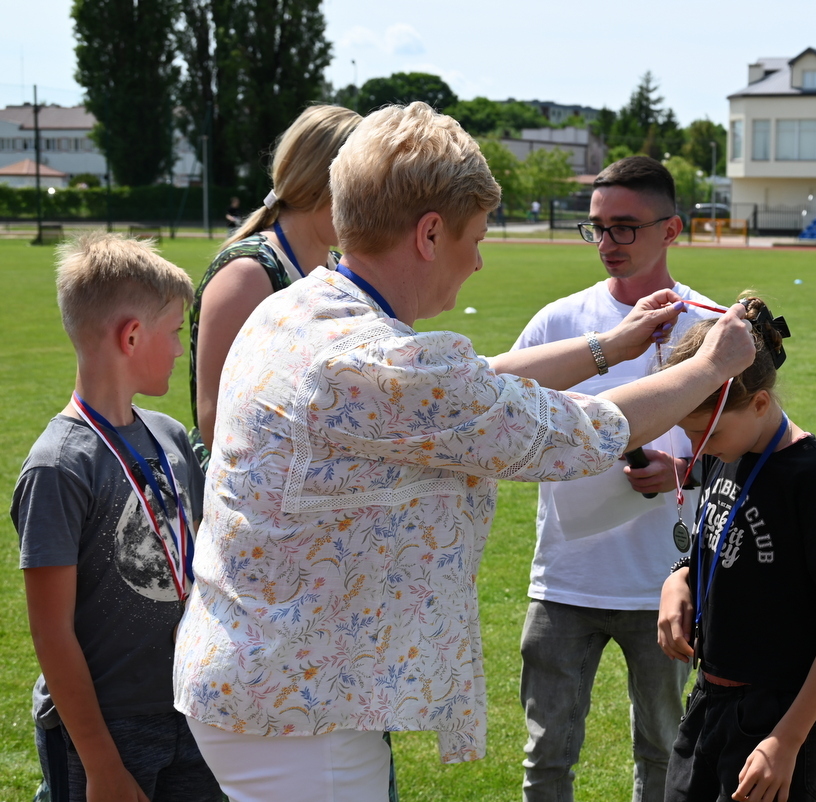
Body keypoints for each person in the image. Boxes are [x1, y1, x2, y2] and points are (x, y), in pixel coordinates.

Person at [172, 102, 757, 802]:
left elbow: (467, 388)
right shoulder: (375, 362)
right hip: (301, 710)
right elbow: (576, 434)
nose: (479, 260)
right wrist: (708, 368)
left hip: (275, 687)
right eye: (474, 237)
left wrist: (611, 347)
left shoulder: (302, 309)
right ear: (428, 233)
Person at [512, 155, 718, 802]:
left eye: (625, 228)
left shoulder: (710, 327)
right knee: (546, 756)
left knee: (661, 752)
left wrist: (683, 468)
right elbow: (506, 419)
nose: (606, 244)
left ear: (673, 229)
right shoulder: (557, 323)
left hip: (663, 585)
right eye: (597, 227)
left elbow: (757, 449)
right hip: (563, 579)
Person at [11, 233, 221, 802]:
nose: (182, 350)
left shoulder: (170, 436)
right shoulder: (58, 467)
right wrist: (101, 763)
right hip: (103, 732)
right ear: (131, 336)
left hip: (188, 709)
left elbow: (199, 562)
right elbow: (51, 633)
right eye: (176, 332)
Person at [657, 296, 816, 802]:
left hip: (774, 718)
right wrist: (679, 577)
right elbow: (720, 539)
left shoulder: (813, 477)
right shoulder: (728, 447)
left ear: (758, 403)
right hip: (708, 698)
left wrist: (787, 739)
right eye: (690, 435)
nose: (698, 448)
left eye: (709, 433)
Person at [189, 104, 361, 466]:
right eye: (367, 186)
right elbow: (214, 423)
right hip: (249, 504)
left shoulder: (335, 267)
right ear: (326, 183)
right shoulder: (248, 274)